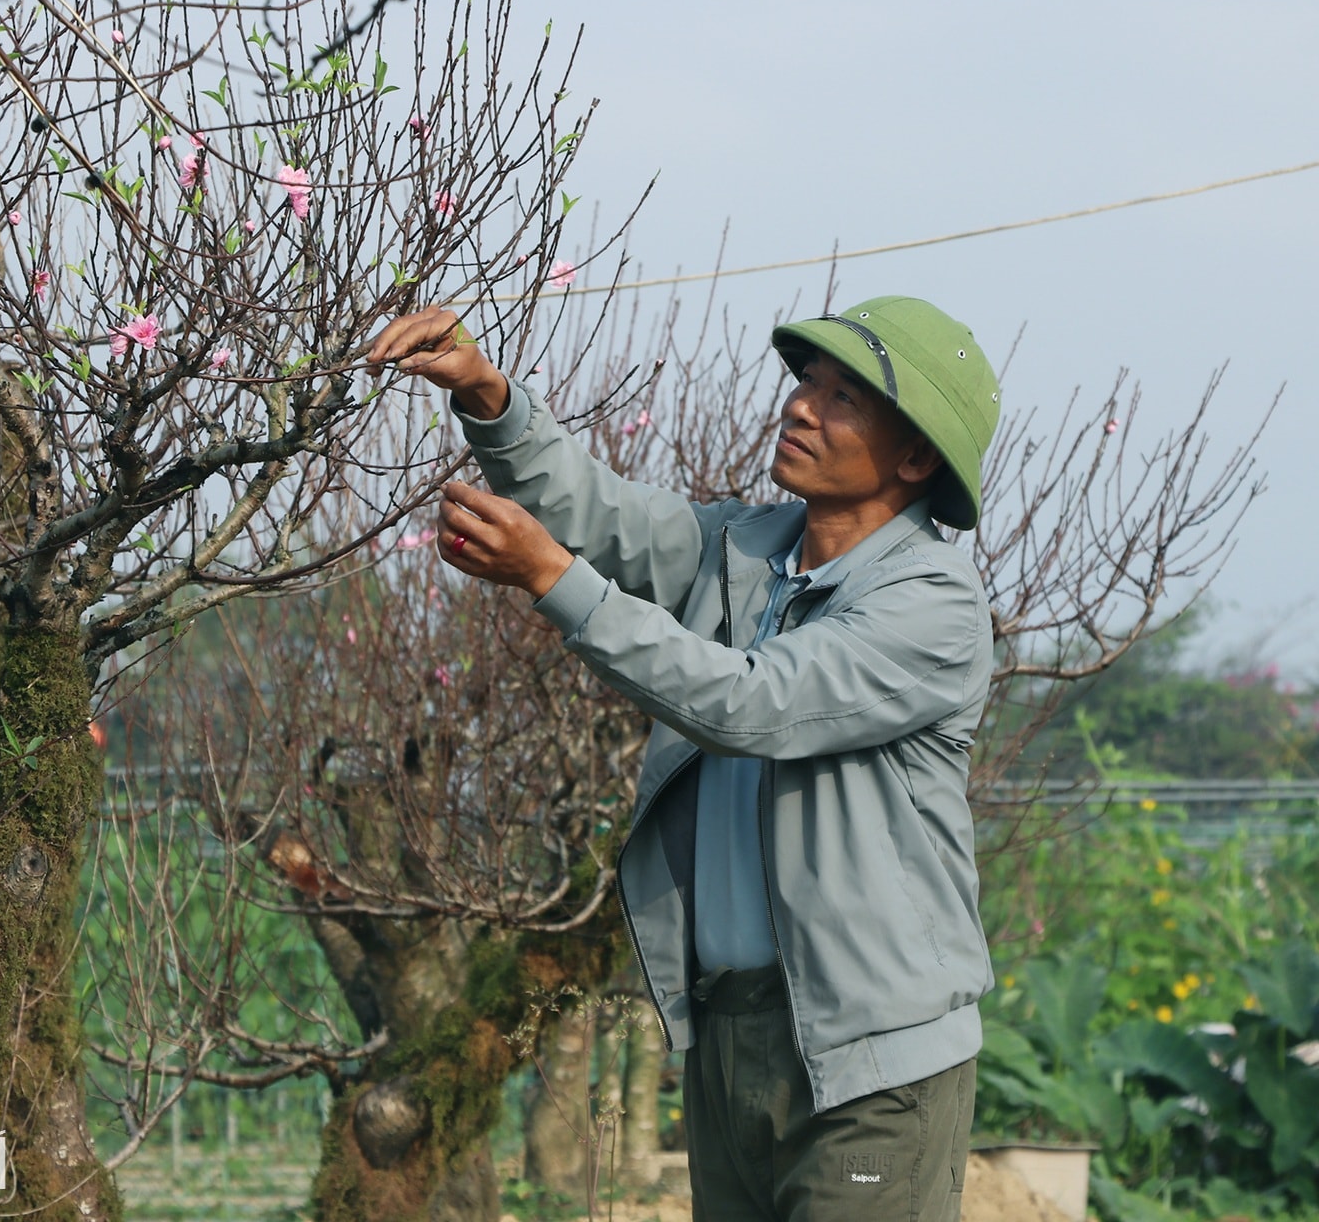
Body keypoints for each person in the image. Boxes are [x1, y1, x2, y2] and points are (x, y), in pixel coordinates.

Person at [368, 296, 1002, 1222]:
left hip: (874, 1058)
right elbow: (603, 516)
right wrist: (489, 394)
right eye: (807, 384)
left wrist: (551, 577)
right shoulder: (746, 549)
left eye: (844, 399)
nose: (801, 407)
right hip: (731, 1035)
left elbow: (750, 702)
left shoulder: (933, 604)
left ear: (914, 459)